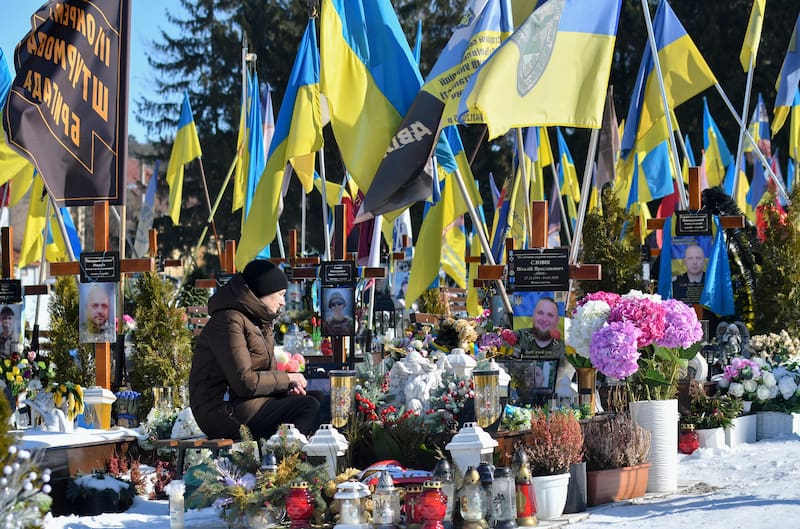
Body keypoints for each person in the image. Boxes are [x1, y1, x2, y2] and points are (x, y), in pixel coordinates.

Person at [189, 260, 320, 440]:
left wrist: (286, 389)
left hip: (247, 404)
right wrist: (288, 377)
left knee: (319, 398)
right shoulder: (229, 321)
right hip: (223, 411)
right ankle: (286, 462)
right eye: (280, 294)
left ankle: (290, 458)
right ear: (263, 292)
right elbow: (245, 382)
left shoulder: (259, 321)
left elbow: (266, 375)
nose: (283, 302)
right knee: (308, 406)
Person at [514, 296, 572, 393]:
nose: (544, 319)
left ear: (557, 320)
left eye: (550, 315)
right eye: (540, 313)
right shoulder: (519, 337)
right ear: (533, 316)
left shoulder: (565, 347)